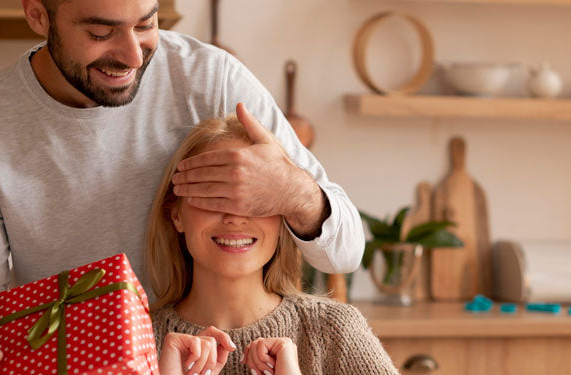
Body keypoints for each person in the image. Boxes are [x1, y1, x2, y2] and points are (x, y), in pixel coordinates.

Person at [0, 0, 365, 373]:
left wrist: (293, 190)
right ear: (37, 15)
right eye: (100, 32)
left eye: (145, 24)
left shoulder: (210, 78)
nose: (132, 56)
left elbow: (344, 249)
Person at [148, 115, 398, 375]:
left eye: (255, 198)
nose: (235, 217)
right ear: (176, 214)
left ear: (283, 212)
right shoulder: (132, 336)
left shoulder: (335, 331)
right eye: (213, 195)